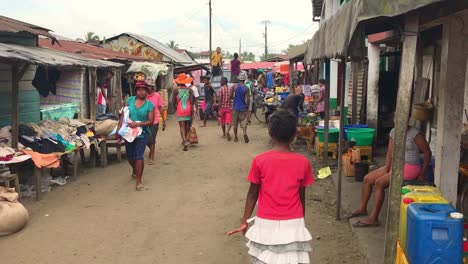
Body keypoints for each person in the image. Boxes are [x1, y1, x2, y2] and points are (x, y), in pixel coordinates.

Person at [227, 110, 314, 263]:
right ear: (294, 135)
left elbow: (252, 193)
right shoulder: (303, 162)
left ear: (270, 132)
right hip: (294, 223)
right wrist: (301, 223)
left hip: (265, 223)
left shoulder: (260, 161)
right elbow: (302, 196)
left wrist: (244, 221)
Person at [348, 121, 432, 227]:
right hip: (395, 164)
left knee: (380, 183)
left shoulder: (415, 133)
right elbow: (389, 152)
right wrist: (387, 168)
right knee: (367, 179)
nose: (397, 121)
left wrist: (422, 173)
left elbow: (427, 152)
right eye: (395, 118)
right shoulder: (393, 132)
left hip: (411, 166)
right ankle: (362, 208)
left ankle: (374, 218)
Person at [116, 80, 154, 191]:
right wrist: (119, 130)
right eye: (139, 90)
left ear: (147, 92)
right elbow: (122, 116)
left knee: (139, 156)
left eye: (144, 90)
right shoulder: (129, 100)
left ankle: (139, 180)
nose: (141, 92)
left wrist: (138, 124)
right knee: (130, 156)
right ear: (136, 91)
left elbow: (151, 121)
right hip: (129, 133)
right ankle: (135, 169)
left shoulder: (149, 105)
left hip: (143, 133)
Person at [145, 78, 166, 165]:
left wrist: (164, 121)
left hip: (155, 121)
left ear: (153, 87)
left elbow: (161, 108)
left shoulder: (157, 96)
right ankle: (152, 148)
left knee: (151, 139)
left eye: (150, 86)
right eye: (147, 86)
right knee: (145, 140)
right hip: (144, 121)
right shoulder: (143, 96)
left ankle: (151, 157)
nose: (148, 87)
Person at [173, 74, 196, 151]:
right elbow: (192, 102)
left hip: (180, 108)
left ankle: (185, 141)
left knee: (182, 126)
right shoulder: (190, 90)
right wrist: (193, 111)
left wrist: (175, 108)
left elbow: (173, 101)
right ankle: (186, 139)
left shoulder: (176, 90)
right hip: (188, 108)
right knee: (187, 125)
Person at [231, 71, 250, 143]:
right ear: (244, 79)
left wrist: (234, 99)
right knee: (244, 122)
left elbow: (230, 96)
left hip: (235, 107)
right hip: (243, 107)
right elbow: (248, 99)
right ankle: (244, 133)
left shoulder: (234, 86)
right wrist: (247, 107)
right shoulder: (246, 88)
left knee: (235, 124)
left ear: (239, 79)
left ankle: (235, 137)